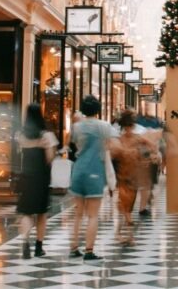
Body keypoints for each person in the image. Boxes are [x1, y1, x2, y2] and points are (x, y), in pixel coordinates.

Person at [68, 95, 112, 260]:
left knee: (78, 214)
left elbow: (70, 144)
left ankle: (73, 248)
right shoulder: (104, 126)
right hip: (95, 171)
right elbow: (110, 145)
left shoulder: (76, 127)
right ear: (98, 110)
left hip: (78, 171)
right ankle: (89, 250)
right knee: (93, 215)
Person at [15, 103, 57, 258]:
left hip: (26, 177)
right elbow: (49, 158)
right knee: (41, 213)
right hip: (41, 178)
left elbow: (20, 151)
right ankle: (39, 247)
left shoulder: (21, 135)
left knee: (26, 212)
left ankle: (25, 243)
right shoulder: (47, 136)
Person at [109, 109, 155, 245]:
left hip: (123, 176)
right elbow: (151, 147)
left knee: (124, 205)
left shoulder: (119, 140)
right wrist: (147, 157)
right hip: (131, 176)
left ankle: (125, 231)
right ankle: (126, 233)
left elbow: (112, 155)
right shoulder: (137, 138)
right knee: (127, 206)